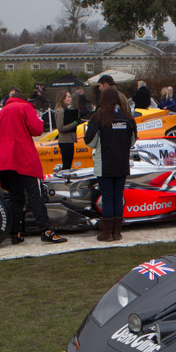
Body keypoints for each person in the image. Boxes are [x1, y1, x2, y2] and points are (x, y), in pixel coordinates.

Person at [0, 94, 67, 244]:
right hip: (24, 159)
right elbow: (37, 129)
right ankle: (46, 230)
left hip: (4, 162)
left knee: (16, 197)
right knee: (35, 195)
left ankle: (16, 233)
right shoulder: (24, 107)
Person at [84, 86, 136, 242]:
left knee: (107, 198)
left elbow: (90, 142)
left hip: (104, 164)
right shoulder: (127, 117)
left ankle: (107, 233)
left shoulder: (98, 117)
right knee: (117, 197)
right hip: (122, 164)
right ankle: (117, 232)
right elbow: (132, 141)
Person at [53, 90, 80, 170]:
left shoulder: (66, 110)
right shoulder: (60, 111)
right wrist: (74, 124)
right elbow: (60, 128)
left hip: (69, 140)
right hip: (65, 141)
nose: (70, 99)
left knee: (68, 164)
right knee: (66, 165)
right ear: (63, 99)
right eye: (68, 97)